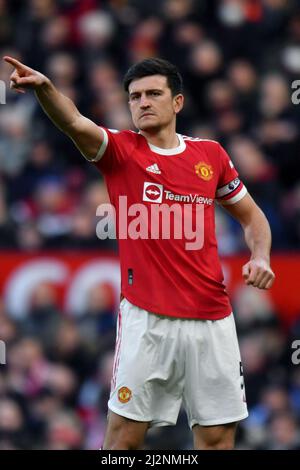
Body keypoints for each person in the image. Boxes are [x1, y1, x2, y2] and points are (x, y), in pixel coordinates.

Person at [4, 55, 275, 450]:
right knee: (123, 440)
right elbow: (74, 122)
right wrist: (47, 90)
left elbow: (254, 219)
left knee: (217, 438)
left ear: (177, 102)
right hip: (147, 320)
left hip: (212, 319)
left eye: (152, 94)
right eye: (134, 97)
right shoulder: (121, 151)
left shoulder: (210, 156)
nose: (142, 102)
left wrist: (261, 256)